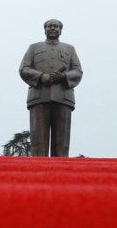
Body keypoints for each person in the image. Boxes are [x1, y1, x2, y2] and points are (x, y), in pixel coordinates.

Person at [19, 19, 83, 157]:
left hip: (63, 97)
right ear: (45, 29)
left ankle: (60, 173)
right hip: (39, 96)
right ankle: (38, 173)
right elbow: (24, 68)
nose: (52, 28)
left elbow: (78, 71)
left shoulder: (69, 49)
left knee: (62, 144)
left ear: (61, 30)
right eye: (49, 26)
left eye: (56, 26)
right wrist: (41, 76)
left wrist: (64, 77)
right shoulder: (34, 48)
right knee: (38, 143)